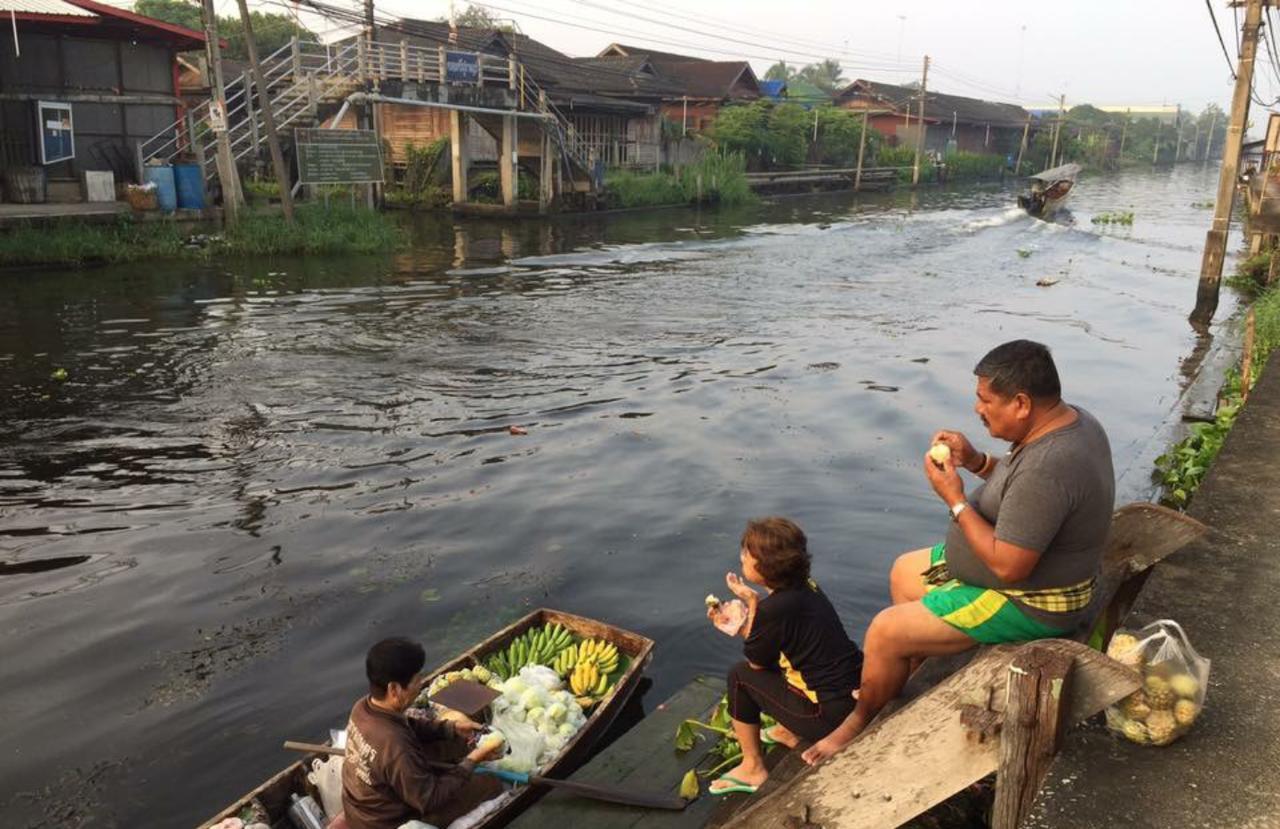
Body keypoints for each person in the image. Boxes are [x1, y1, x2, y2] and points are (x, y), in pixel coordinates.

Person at [802, 339, 1114, 765]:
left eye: (985, 400)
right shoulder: (1068, 422)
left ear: (1021, 403)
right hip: (1027, 572)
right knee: (903, 572)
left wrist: (955, 499)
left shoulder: (1051, 465)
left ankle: (859, 720)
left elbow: (1009, 566)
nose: (977, 409)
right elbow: (1019, 489)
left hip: (1032, 601)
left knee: (884, 631)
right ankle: (901, 675)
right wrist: (977, 460)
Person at [708, 517, 863, 795]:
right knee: (788, 663)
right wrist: (754, 602)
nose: (742, 556)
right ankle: (787, 730)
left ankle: (753, 767)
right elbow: (777, 643)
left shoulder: (774, 610)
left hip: (828, 716)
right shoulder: (806, 586)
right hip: (850, 697)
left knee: (739, 677)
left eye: (747, 553)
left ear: (763, 566)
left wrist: (747, 615)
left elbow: (757, 663)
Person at [341, 637, 504, 829]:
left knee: (456, 743)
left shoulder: (362, 707)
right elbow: (430, 800)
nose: (420, 686)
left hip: (362, 807)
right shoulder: (395, 745)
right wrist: (473, 760)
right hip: (388, 822)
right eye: (417, 680)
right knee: (489, 784)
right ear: (394, 688)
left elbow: (408, 726)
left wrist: (451, 728)